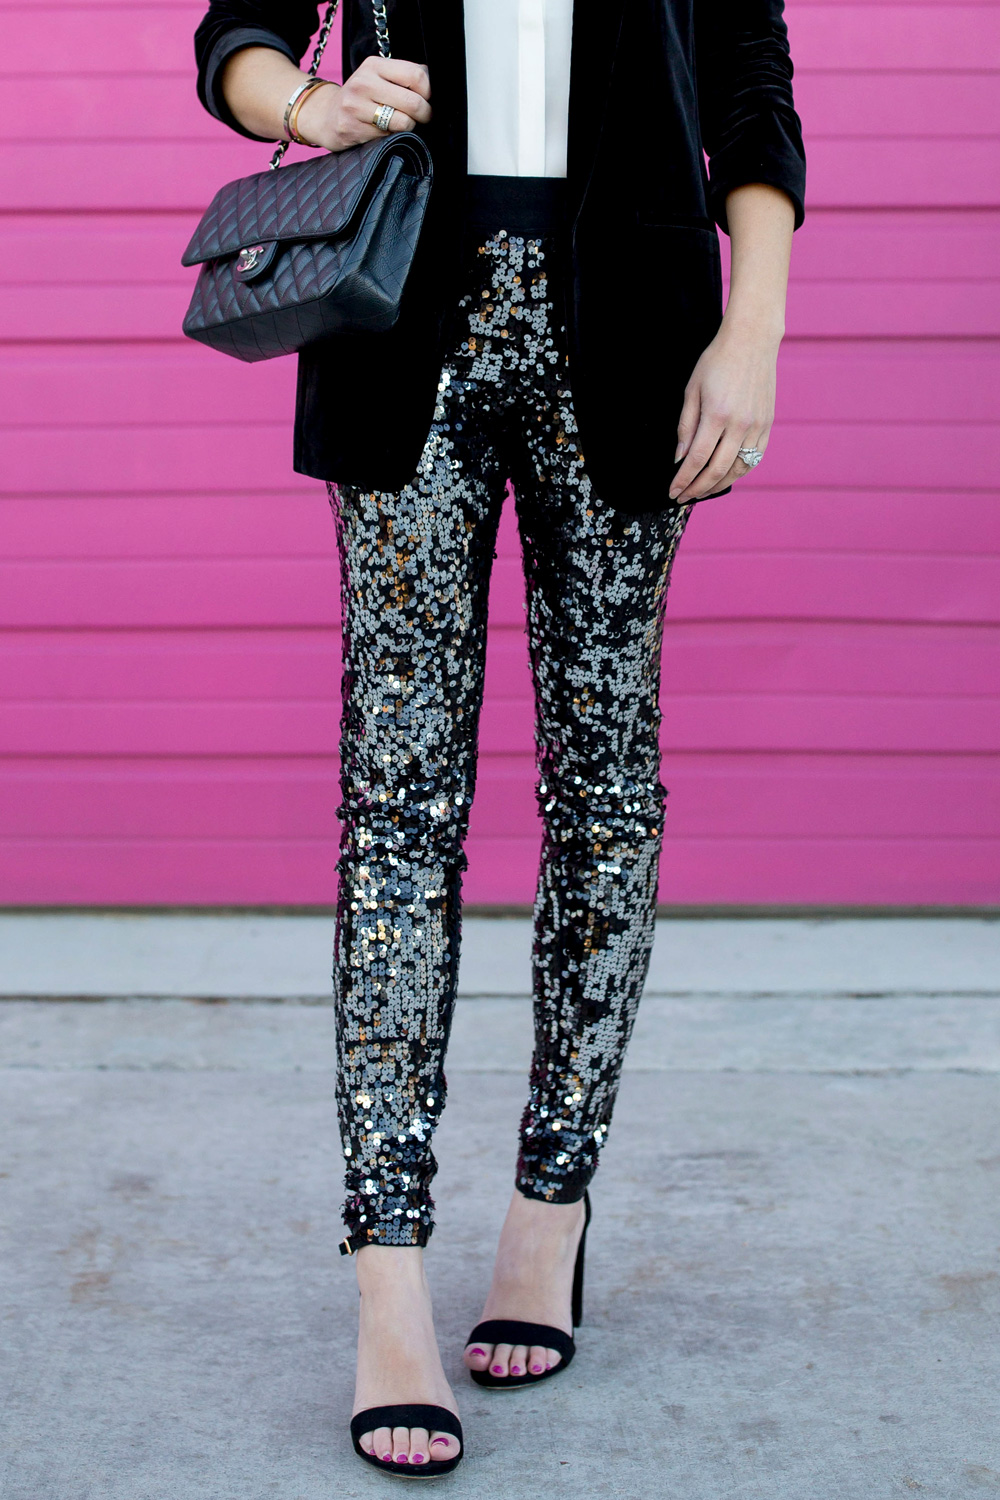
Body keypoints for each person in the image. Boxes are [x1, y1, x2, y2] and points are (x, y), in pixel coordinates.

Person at [194, 0, 805, 1477]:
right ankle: (389, 1268)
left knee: (603, 786)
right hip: (408, 313)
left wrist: (755, 322)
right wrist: (305, 107)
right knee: (393, 809)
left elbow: (747, 74)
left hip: (640, 325)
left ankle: (551, 1203)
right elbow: (240, 32)